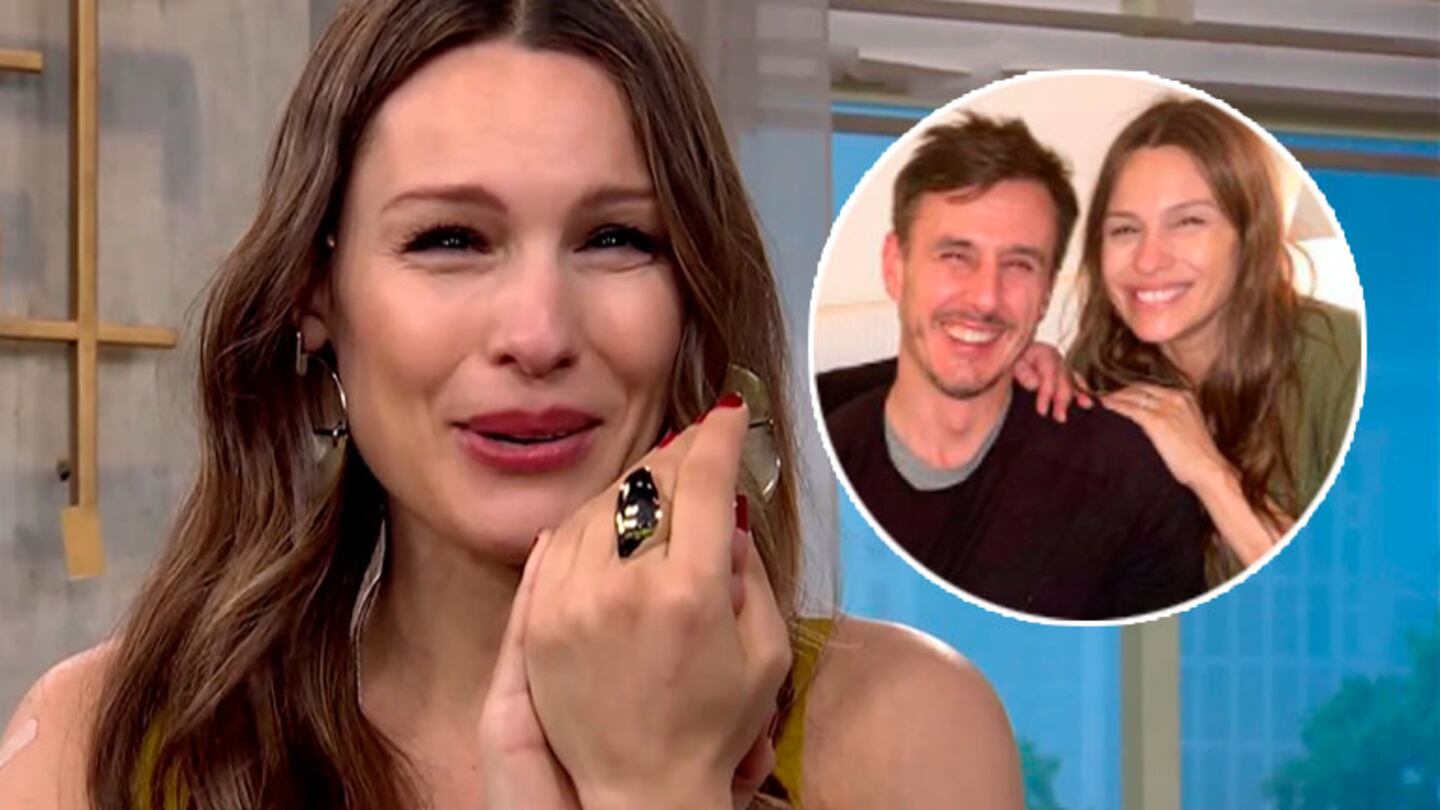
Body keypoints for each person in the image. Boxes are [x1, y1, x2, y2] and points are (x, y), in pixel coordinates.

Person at [0, 1, 1024, 808]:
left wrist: (653, 788)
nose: (538, 333)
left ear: (694, 301)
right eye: (449, 239)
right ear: (316, 299)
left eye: (616, 239)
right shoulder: (100, 747)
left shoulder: (905, 731)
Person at [820, 113, 1209, 621]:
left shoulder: (1129, 484)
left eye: (1019, 265)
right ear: (895, 266)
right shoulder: (807, 449)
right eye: (956, 256)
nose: (985, 297)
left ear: (1046, 292)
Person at [1066, 97, 1362, 583]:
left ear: (1250, 237)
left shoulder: (1348, 358)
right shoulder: (1100, 361)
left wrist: (1208, 471)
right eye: (1124, 229)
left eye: (1188, 222)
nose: (1147, 260)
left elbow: (1343, 598)